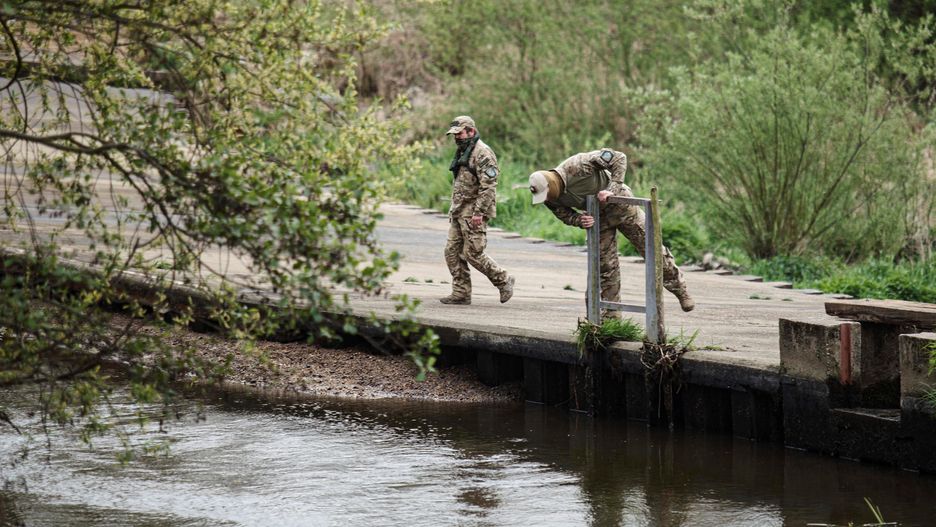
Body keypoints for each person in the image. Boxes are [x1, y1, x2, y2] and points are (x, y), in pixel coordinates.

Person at [528, 148, 695, 314]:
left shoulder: (579, 165)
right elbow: (564, 214)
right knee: (604, 266)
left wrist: (612, 188)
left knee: (651, 248)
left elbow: (619, 158)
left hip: (623, 207)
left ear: (551, 185)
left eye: (546, 194)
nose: (546, 199)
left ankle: (680, 289)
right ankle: (610, 318)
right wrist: (579, 220)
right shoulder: (549, 198)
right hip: (598, 218)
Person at [440, 115, 514, 305]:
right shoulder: (464, 150)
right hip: (459, 209)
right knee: (452, 251)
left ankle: (503, 280)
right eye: (454, 134)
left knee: (473, 253)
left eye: (460, 134)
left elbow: (489, 186)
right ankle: (461, 293)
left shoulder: (482, 153)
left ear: (471, 131)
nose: (456, 138)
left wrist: (479, 213)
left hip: (473, 211)